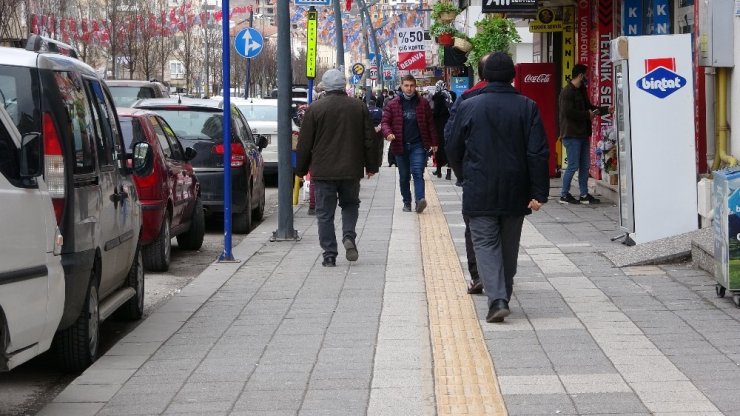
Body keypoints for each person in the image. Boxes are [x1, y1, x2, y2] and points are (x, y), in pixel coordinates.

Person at [447, 52, 549, 323]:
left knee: (484, 243)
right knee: (508, 246)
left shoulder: (469, 105)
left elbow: (453, 146)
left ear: (484, 76)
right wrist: (539, 192)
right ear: (513, 76)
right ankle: (502, 294)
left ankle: (498, 299)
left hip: (479, 186)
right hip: (516, 188)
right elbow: (538, 152)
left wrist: (463, 175)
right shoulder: (528, 106)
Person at [295, 69, 380, 267]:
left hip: (323, 170)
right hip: (351, 168)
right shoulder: (358, 106)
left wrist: (300, 170)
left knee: (325, 213)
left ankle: (329, 254)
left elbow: (305, 143)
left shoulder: (315, 109)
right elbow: (369, 139)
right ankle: (348, 236)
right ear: (344, 86)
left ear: (324, 88)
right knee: (350, 204)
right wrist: (372, 166)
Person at [444, 53, 490, 295]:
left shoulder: (466, 98)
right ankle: (499, 274)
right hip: (511, 177)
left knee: (475, 226)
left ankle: (479, 275)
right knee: (504, 226)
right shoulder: (521, 100)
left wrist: (462, 173)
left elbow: (451, 140)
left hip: (475, 175)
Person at [381, 75, 438, 213]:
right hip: (400, 144)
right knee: (404, 175)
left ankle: (420, 200)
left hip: (418, 144)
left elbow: (431, 124)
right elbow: (385, 122)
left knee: (418, 172)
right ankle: (407, 202)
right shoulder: (393, 103)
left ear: (415, 86)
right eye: (406, 85)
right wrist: (388, 133)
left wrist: (434, 142)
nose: (409, 88)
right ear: (401, 86)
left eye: (412, 85)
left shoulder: (422, 103)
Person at [558, 64, 606, 205]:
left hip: (582, 133)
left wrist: (605, 110)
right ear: (580, 75)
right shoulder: (567, 92)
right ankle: (564, 194)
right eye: (586, 75)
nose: (587, 77)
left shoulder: (581, 90)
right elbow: (568, 112)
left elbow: (589, 107)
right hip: (571, 134)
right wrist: (587, 114)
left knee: (585, 166)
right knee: (573, 165)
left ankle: (584, 195)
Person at [431, 80, 452, 180]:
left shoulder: (438, 96)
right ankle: (449, 173)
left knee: (439, 147)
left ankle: (439, 171)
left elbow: (436, 112)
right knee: (448, 147)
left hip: (439, 124)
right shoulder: (451, 95)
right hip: (450, 123)